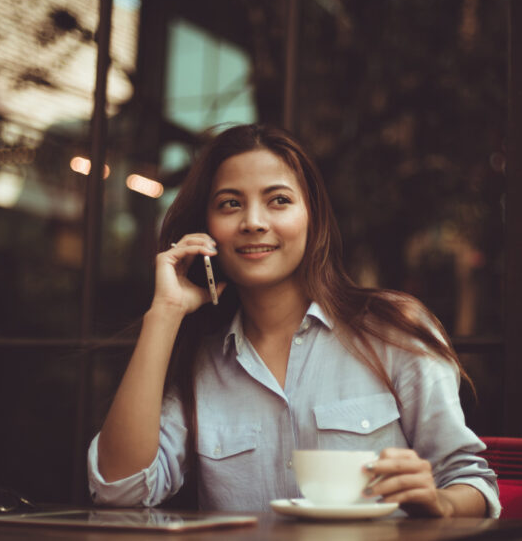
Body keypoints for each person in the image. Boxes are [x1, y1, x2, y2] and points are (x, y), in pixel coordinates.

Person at [87, 124, 500, 518]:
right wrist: (164, 313)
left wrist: (440, 503)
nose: (253, 221)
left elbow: (471, 483)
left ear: (312, 217)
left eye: (278, 200)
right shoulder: (199, 362)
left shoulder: (391, 330)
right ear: (207, 229)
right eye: (230, 203)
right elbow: (118, 489)